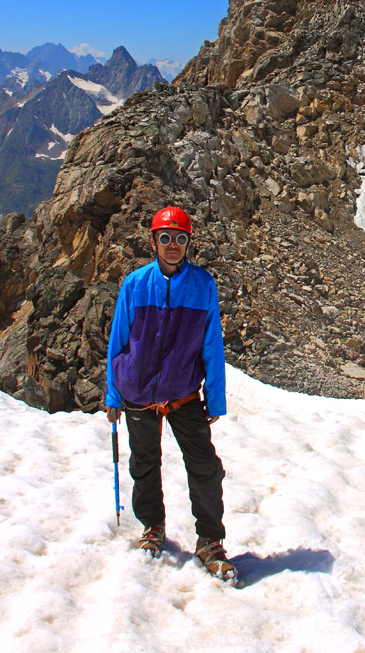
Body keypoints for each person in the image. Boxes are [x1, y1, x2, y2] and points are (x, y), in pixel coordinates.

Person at [105, 205, 236, 581]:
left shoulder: (202, 285)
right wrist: (113, 395)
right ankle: (153, 526)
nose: (173, 245)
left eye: (180, 238)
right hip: (138, 390)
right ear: (153, 242)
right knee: (144, 464)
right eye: (165, 238)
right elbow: (118, 342)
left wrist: (216, 395)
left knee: (205, 468)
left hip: (183, 391)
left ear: (188, 242)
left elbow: (212, 344)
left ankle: (210, 540)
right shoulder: (134, 284)